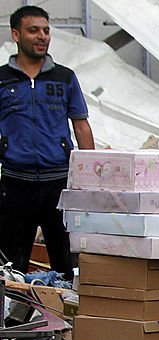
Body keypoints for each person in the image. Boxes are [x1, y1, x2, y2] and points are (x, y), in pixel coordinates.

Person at [0, 5, 94, 280]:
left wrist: (89, 177)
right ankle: (13, 320)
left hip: (59, 184)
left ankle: (64, 321)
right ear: (16, 35)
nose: (42, 36)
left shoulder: (64, 77)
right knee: (11, 267)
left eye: (46, 31)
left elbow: (80, 124)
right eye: (33, 31)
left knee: (65, 263)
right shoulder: (2, 80)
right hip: (16, 184)